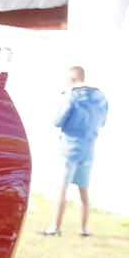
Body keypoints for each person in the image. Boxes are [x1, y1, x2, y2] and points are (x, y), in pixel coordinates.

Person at [43, 65, 110, 237]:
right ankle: (83, 229)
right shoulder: (100, 97)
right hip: (88, 147)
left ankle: (54, 227)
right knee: (83, 189)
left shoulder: (71, 97)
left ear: (71, 79)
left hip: (69, 146)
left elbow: (57, 121)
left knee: (61, 188)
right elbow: (102, 122)